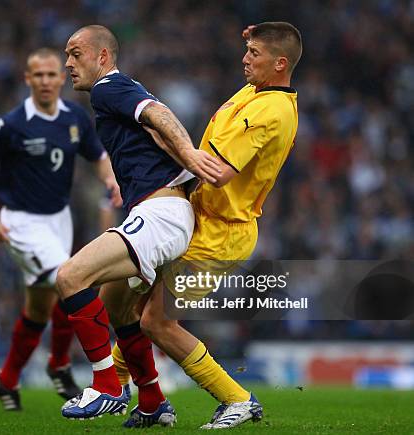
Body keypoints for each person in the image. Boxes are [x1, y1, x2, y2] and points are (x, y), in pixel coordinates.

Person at [110, 21, 303, 429]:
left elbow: (217, 172)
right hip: (199, 216)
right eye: (248, 51)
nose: (245, 59)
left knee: (156, 321)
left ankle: (237, 398)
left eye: (255, 54)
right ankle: (120, 389)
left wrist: (160, 144)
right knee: (133, 298)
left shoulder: (272, 111)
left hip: (222, 233)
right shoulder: (257, 91)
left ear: (280, 63)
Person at [58, 25, 222, 422]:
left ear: (103, 57)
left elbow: (158, 114)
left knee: (70, 278)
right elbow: (153, 126)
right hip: (157, 213)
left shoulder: (107, 88)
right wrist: (183, 161)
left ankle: (106, 386)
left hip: (160, 215)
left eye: (76, 53)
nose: (67, 63)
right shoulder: (121, 93)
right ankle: (152, 403)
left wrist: (188, 152)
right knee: (119, 309)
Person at [0, 48, 121, 411]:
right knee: (72, 282)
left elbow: (98, 156)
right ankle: (62, 365)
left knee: (38, 309)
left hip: (58, 220)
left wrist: (110, 180)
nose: (46, 81)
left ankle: (6, 381)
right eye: (39, 76)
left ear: (62, 78)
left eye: (52, 75)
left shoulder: (74, 117)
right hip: (22, 223)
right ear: (27, 79)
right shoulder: (13, 124)